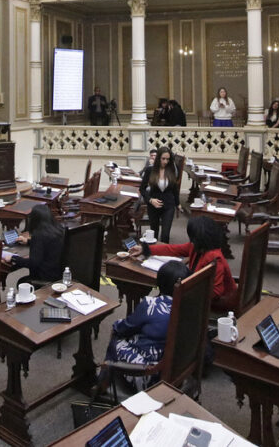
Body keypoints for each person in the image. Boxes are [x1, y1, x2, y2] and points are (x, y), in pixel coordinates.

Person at [98, 260, 189, 391]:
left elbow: (124, 327)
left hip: (152, 375)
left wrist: (117, 325)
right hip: (178, 367)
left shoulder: (151, 305)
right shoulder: (191, 307)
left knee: (116, 334)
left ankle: (104, 383)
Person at [130, 214, 238, 313]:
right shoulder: (197, 246)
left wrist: (186, 293)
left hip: (217, 305)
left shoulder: (215, 257)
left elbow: (216, 292)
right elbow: (173, 249)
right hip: (197, 293)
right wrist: (145, 249)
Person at [4, 204, 64, 285]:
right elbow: (47, 245)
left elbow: (33, 263)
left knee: (21, 283)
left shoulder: (38, 235)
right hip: (58, 274)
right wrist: (28, 241)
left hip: (45, 277)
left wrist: (13, 258)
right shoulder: (58, 229)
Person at [140, 147, 180, 243]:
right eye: (163, 159)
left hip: (168, 205)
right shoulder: (150, 170)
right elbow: (142, 189)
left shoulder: (171, 170)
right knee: (154, 233)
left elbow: (175, 190)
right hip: (153, 205)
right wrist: (150, 200)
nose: (165, 161)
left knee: (165, 234)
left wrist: (178, 204)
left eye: (168, 159)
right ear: (158, 158)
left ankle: (164, 256)